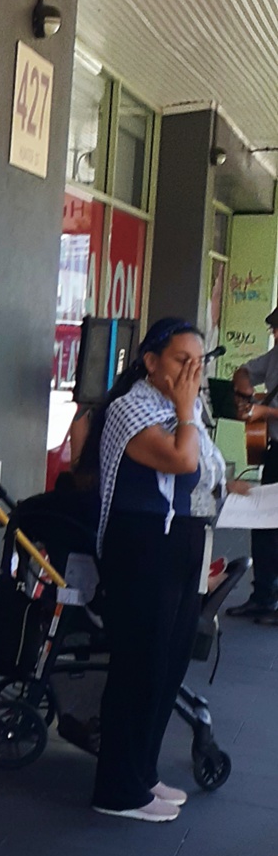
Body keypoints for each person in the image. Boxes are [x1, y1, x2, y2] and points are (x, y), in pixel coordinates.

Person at [90, 318, 225, 822]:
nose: (192, 373)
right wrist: (188, 409)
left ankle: (143, 774)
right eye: (181, 362)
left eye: (199, 363)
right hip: (142, 544)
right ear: (150, 362)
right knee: (138, 666)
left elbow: (207, 470)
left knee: (167, 666)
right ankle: (117, 790)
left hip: (180, 543)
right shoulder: (132, 409)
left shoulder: (178, 409)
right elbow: (180, 461)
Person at [228, 304, 278, 621]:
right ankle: (263, 595)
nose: (275, 335)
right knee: (265, 524)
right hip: (275, 448)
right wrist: (246, 391)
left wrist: (267, 412)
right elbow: (244, 369)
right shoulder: (275, 355)